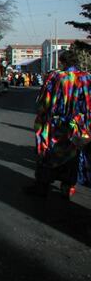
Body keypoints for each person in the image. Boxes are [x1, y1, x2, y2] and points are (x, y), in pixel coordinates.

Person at [24, 50, 91, 199]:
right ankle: (68, 187)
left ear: (63, 62)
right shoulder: (86, 78)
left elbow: (45, 101)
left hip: (55, 124)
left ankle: (42, 186)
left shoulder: (56, 77)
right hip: (76, 126)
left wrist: (42, 116)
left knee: (48, 152)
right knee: (72, 155)